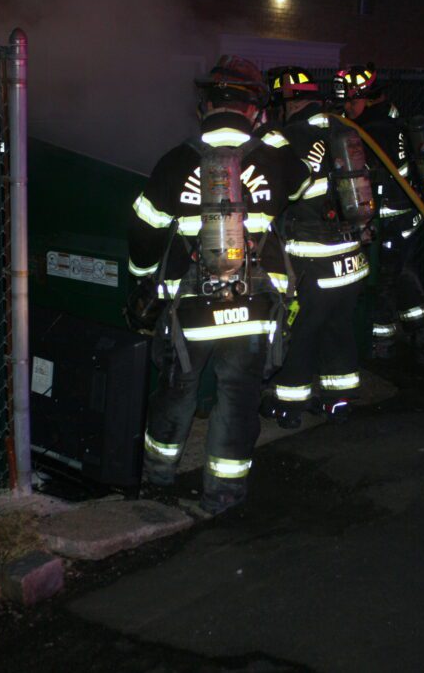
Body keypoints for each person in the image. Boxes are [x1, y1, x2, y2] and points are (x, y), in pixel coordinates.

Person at [127, 55, 311, 514]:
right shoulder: (272, 156)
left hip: (190, 307)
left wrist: (141, 278)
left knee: (176, 391)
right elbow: (303, 187)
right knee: (238, 397)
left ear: (205, 105)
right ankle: (223, 494)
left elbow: (145, 230)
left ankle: (157, 479)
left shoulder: (176, 160)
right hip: (253, 306)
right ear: (254, 109)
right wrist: (272, 135)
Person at [259, 66, 372, 428]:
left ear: (287, 103)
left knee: (301, 330)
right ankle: (339, 399)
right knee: (339, 328)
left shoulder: (288, 137)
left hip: (311, 259)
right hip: (350, 259)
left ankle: (290, 406)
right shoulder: (344, 129)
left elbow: (275, 193)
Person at [334, 64, 424, 359]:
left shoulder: (374, 130)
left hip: (391, 220)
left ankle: (381, 343)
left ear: (369, 97)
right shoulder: (390, 119)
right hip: (403, 218)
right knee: (403, 273)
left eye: (352, 102)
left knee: (384, 280)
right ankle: (419, 330)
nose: (347, 108)